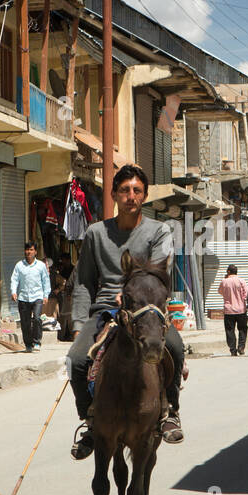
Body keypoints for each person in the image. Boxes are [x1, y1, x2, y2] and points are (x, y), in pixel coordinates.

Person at [68, 164, 185, 460]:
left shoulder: (159, 231)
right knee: (76, 361)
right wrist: (80, 323)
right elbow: (83, 281)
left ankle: (171, 410)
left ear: (144, 196)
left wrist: (133, 292)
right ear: (114, 194)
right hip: (105, 309)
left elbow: (159, 271)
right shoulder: (95, 233)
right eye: (124, 190)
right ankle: (90, 422)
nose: (130, 196)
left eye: (136, 191)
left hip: (146, 309)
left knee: (174, 347)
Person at [11, 241, 51, 353]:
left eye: (31, 250)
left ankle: (37, 342)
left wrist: (46, 295)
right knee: (25, 322)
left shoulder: (41, 266)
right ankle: (28, 344)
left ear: (36, 252)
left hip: (37, 296)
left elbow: (46, 281)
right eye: (27, 250)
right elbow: (14, 279)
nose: (29, 252)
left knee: (37, 318)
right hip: (23, 297)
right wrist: (13, 292)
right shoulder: (19, 265)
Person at [218, 264, 248, 355]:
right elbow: (246, 294)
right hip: (241, 310)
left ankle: (233, 350)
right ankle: (241, 347)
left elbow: (220, 291)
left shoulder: (224, 281)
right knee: (242, 329)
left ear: (228, 272)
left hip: (229, 311)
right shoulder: (241, 281)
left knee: (229, 330)